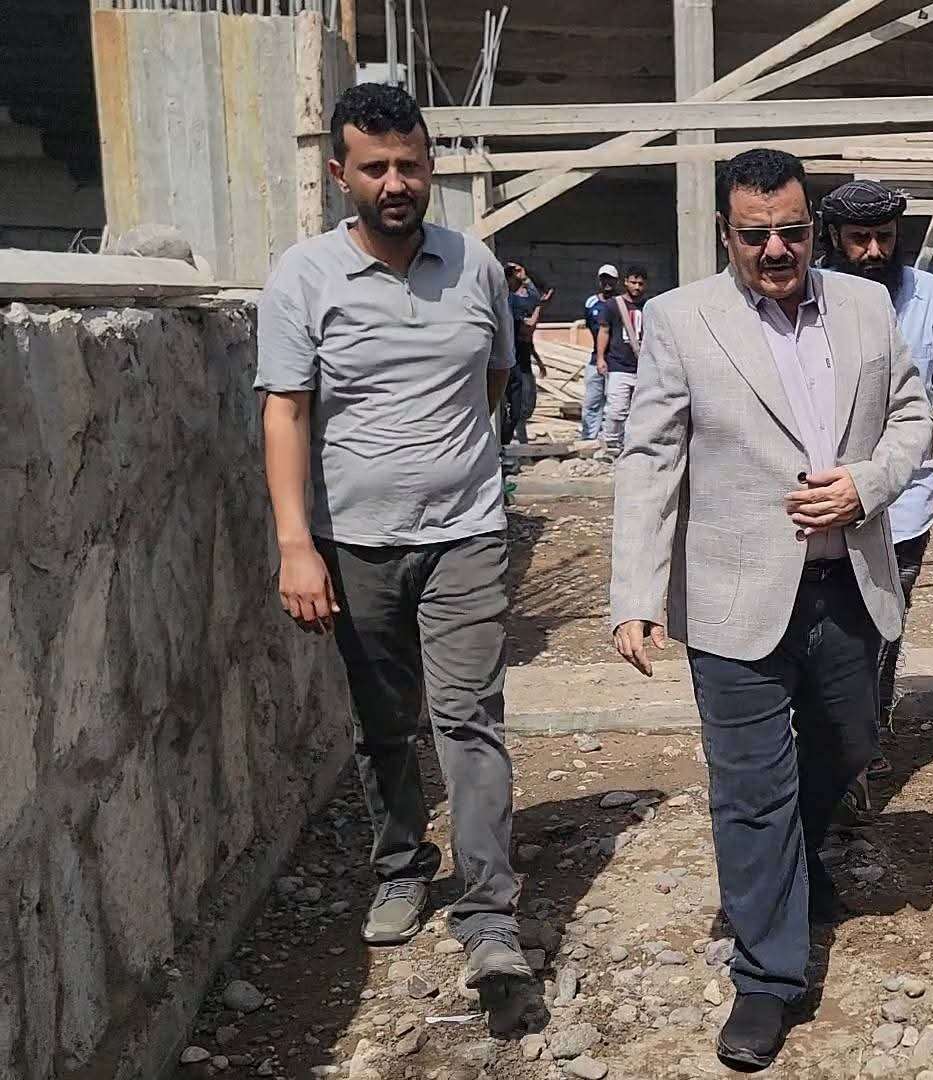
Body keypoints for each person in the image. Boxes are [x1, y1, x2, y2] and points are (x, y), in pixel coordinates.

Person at [608, 148, 933, 1071]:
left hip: (849, 584)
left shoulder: (866, 307)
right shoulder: (681, 321)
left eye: (792, 231)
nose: (777, 250)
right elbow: (650, 459)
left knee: (852, 744)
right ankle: (767, 977)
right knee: (751, 789)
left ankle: (795, 862)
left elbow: (912, 418)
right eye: (757, 236)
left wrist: (867, 482)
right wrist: (636, 593)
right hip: (733, 592)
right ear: (727, 233)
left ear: (812, 227)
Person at [254, 83, 532, 999]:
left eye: (409, 165)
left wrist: (448, 466)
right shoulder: (303, 276)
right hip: (353, 543)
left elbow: (493, 380)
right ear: (342, 174)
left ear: (430, 167)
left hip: (467, 534)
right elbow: (286, 412)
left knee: (469, 717)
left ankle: (490, 914)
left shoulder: (474, 265)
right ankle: (403, 866)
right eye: (375, 168)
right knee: (383, 721)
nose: (396, 183)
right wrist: (296, 544)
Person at [817, 179, 933, 800]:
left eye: (884, 237)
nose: (872, 251)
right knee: (828, 625)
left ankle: (863, 744)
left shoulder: (930, 297)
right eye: (858, 239)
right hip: (823, 500)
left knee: (883, 624)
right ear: (833, 238)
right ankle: (832, 744)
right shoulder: (807, 295)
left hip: (905, 503)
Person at [595, 265, 649, 460]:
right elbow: (604, 331)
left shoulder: (649, 306)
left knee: (640, 411)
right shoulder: (613, 305)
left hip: (643, 368)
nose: (636, 287)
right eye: (633, 282)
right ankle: (611, 445)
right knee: (616, 409)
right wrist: (600, 358)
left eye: (640, 283)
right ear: (625, 282)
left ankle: (633, 446)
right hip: (619, 365)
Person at [503, 261, 551, 444]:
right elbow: (529, 322)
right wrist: (538, 304)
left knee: (526, 403)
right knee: (517, 405)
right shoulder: (508, 300)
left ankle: (518, 439)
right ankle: (513, 441)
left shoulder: (514, 299)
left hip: (522, 360)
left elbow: (528, 339)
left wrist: (538, 360)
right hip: (510, 361)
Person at [579, 264, 618, 442]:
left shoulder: (620, 304)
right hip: (596, 360)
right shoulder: (591, 303)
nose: (607, 283)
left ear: (617, 281)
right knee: (592, 402)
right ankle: (588, 439)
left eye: (610, 279)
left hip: (617, 362)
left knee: (614, 404)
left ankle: (610, 440)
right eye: (604, 279)